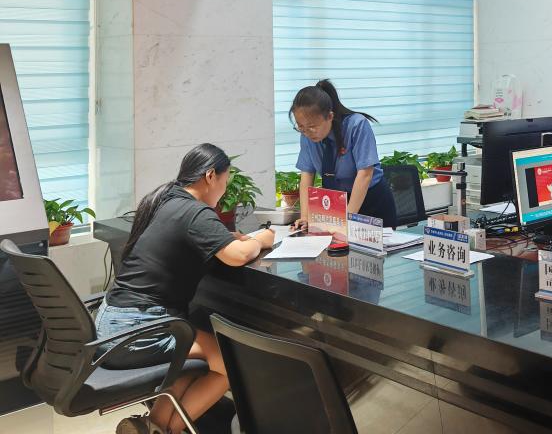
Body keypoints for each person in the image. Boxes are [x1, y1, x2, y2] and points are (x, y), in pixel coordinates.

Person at [97, 144, 275, 434]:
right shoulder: (195, 212)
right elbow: (239, 255)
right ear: (210, 176)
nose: (224, 191)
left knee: (189, 360)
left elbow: (190, 238)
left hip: (111, 324)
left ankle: (153, 426)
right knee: (229, 364)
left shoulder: (164, 199)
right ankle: (166, 431)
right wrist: (262, 239)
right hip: (140, 328)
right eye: (225, 180)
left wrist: (225, 238)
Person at [290, 79, 398, 229]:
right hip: (337, 203)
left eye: (312, 126)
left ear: (330, 116)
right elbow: (307, 174)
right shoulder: (307, 136)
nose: (307, 132)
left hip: (370, 201)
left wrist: (348, 219)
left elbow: (365, 174)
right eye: (301, 127)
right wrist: (305, 217)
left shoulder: (356, 125)